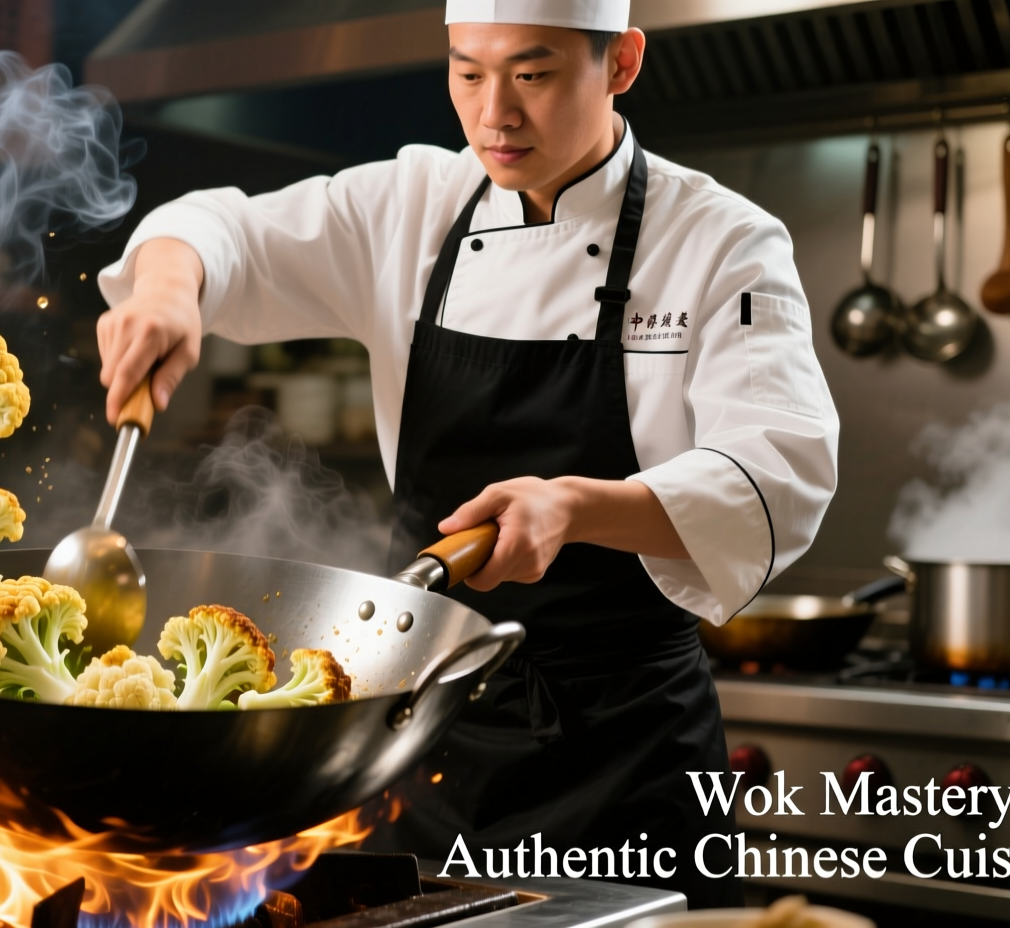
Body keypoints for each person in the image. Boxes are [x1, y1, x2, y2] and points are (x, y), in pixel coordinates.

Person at [95, 0, 838, 907]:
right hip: (424, 733)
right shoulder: (412, 206)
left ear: (621, 63)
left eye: (532, 74)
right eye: (468, 72)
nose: (495, 114)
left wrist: (575, 507)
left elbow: (779, 471)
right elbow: (221, 228)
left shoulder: (720, 241)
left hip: (625, 752)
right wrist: (169, 291)